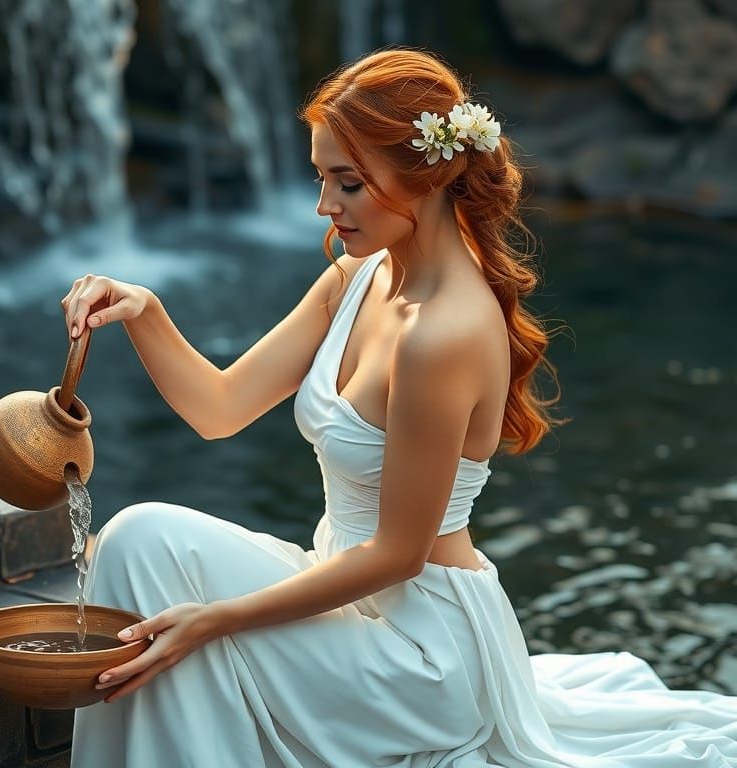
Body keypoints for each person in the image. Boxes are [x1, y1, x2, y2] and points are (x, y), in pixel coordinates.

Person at [60, 49, 737, 767]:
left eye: (347, 184)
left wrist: (215, 620)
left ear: (427, 174)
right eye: (323, 179)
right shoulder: (358, 276)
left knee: (174, 602)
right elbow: (219, 409)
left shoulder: (441, 334)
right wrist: (143, 310)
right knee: (138, 537)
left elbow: (398, 555)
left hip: (419, 653)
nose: (326, 206)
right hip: (342, 599)